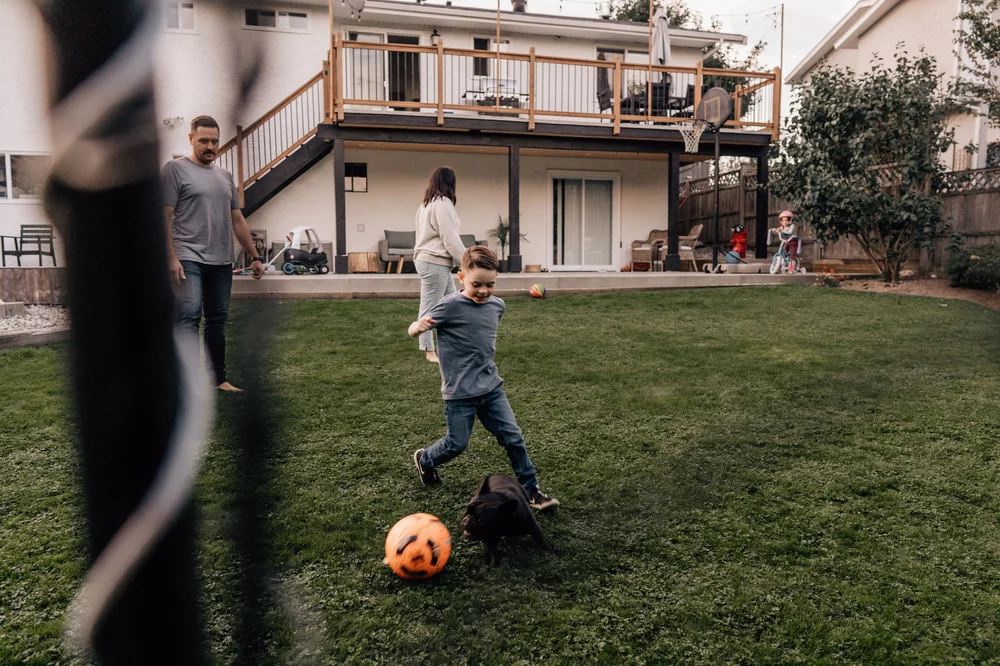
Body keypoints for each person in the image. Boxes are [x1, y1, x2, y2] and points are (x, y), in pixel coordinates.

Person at [408, 245, 559, 511]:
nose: (483, 291)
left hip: (491, 388)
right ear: (461, 277)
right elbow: (415, 327)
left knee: (513, 437)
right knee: (457, 444)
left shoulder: (497, 306)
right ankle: (426, 458)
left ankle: (531, 489)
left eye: (490, 285)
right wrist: (417, 328)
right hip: (459, 393)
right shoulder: (449, 306)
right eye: (477, 284)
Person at [162, 115, 264, 392]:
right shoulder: (174, 170)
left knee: (216, 321)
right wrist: (171, 258)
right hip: (187, 256)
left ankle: (218, 380)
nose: (210, 146)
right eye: (204, 140)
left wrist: (254, 256)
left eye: (214, 141)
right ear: (191, 139)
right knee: (189, 317)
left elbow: (238, 220)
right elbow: (164, 216)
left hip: (221, 259)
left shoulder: (225, 177)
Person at [413, 166, 468, 364]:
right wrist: (466, 264)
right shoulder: (442, 203)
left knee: (453, 304)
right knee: (430, 308)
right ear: (450, 182)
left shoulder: (426, 204)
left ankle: (455, 344)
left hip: (430, 261)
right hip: (433, 262)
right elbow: (450, 238)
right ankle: (428, 351)